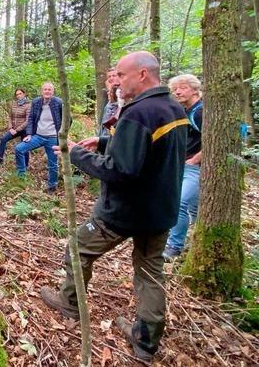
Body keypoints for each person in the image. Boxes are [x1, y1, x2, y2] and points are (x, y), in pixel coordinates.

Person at [40, 51, 188, 362]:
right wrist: (105, 141)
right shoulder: (172, 106)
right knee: (150, 273)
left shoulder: (139, 113)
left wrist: (75, 154)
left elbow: (120, 171)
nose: (117, 81)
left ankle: (69, 302)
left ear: (143, 75)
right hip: (160, 212)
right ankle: (146, 342)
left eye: (121, 75)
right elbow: (149, 153)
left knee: (77, 248)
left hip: (124, 211)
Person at [163, 74, 203, 261]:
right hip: (182, 165)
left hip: (195, 167)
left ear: (195, 89)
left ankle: (174, 246)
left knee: (180, 203)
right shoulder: (183, 110)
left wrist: (195, 159)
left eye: (183, 87)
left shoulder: (201, 112)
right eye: (175, 88)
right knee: (193, 208)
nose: (178, 91)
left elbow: (216, 140)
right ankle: (190, 240)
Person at [14, 82, 63, 193]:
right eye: (45, 89)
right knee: (19, 149)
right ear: (42, 91)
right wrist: (29, 134)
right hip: (38, 136)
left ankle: (52, 186)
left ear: (53, 91)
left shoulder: (58, 102)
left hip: (52, 138)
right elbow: (31, 119)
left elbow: (67, 119)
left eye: (49, 89)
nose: (47, 91)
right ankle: (21, 177)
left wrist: (62, 134)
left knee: (53, 163)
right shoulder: (36, 102)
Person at [0, 88, 31, 166]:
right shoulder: (14, 104)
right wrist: (10, 128)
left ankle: (26, 165)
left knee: (24, 146)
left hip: (24, 130)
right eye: (17, 94)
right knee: (3, 139)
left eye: (20, 94)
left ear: (24, 94)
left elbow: (27, 121)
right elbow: (10, 117)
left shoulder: (28, 105)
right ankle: (0, 159)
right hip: (14, 129)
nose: (18, 96)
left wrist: (17, 130)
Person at [98, 67, 120, 137]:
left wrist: (111, 91)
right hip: (104, 134)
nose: (111, 78)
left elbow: (115, 109)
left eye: (114, 76)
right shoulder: (107, 93)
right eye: (109, 76)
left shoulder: (123, 93)